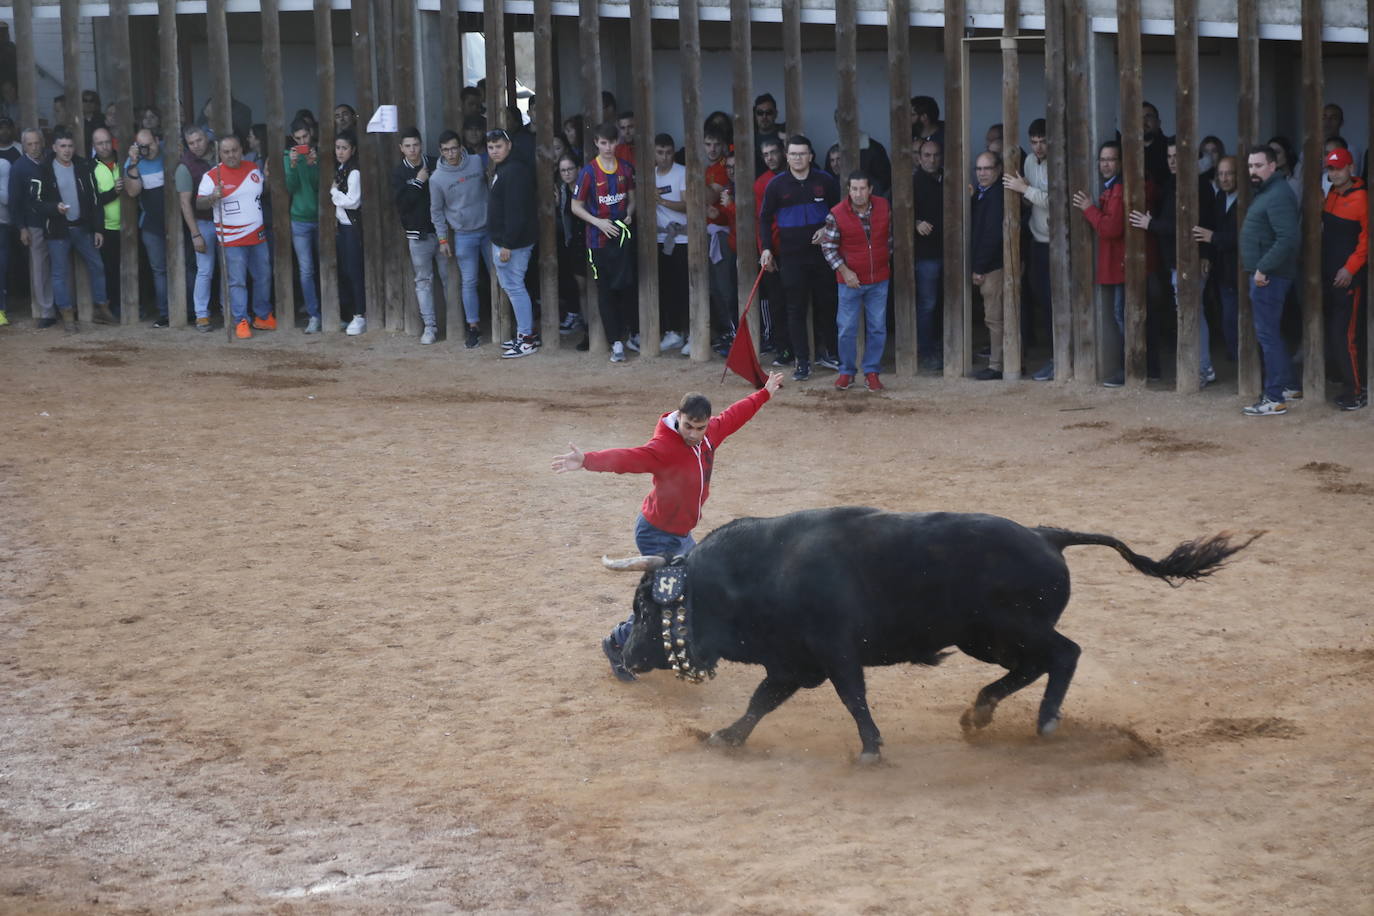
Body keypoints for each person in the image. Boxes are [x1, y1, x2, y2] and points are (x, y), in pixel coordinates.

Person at [549, 371, 785, 681]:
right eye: (688, 426)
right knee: (665, 598)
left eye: (700, 428)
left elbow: (736, 415)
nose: (694, 433)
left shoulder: (710, 433)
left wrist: (765, 392)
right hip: (656, 533)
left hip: (680, 534)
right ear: (679, 417)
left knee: (694, 589)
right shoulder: (663, 446)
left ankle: (670, 644)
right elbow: (628, 458)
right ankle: (618, 642)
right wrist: (587, 460)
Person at [1128, 139, 1217, 386]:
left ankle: (1202, 368)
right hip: (1178, 261)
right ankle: (1201, 366)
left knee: (1192, 314)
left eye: (1178, 156)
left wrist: (1150, 224)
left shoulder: (1196, 186)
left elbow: (1188, 226)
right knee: (1190, 313)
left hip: (1191, 261)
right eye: (1169, 156)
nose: (1173, 161)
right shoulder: (1172, 184)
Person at [758, 134, 842, 381]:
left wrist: (827, 229)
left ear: (811, 156)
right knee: (795, 309)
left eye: (802, 154)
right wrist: (766, 248)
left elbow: (840, 212)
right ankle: (802, 361)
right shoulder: (776, 185)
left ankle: (830, 353)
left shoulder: (825, 181)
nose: (798, 158)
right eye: (793, 154)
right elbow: (764, 218)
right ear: (787, 156)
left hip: (822, 256)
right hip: (791, 257)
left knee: (827, 304)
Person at [1239, 145, 1301, 416]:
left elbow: (1288, 238)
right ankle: (1287, 385)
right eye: (1250, 166)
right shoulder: (1268, 192)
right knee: (1270, 333)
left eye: (1259, 165)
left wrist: (1263, 268)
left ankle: (1274, 398)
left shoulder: (1277, 194)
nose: (1253, 170)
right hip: (1268, 275)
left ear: (1273, 166)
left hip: (1269, 277)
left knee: (1267, 335)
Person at [571, 121, 637, 363]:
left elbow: (632, 198)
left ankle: (626, 334)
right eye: (604, 143)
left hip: (622, 239)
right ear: (597, 143)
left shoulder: (626, 169)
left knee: (626, 287)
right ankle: (615, 343)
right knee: (605, 291)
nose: (608, 147)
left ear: (617, 143)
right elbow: (575, 206)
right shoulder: (588, 172)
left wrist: (630, 212)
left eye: (612, 142)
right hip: (597, 241)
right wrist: (598, 222)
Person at [30, 126, 107, 334]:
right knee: (59, 274)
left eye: (70, 146)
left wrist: (98, 229)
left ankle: (101, 307)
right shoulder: (43, 169)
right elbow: (35, 201)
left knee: (97, 265)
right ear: (54, 147)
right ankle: (67, 316)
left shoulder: (83, 165)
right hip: (58, 229)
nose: (67, 150)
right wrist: (54, 208)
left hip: (82, 227)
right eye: (62, 146)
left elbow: (94, 200)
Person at [821, 170, 891, 391]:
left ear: (870, 190)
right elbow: (828, 247)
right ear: (848, 190)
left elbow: (890, 237)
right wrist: (845, 271)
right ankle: (847, 372)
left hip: (879, 278)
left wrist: (885, 260)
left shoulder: (883, 206)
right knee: (846, 329)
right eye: (854, 189)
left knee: (877, 327)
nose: (858, 193)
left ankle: (871, 371)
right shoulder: (836, 213)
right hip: (849, 281)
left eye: (862, 189)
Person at [197, 133, 272, 339]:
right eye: (226, 151)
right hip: (231, 239)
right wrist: (213, 196)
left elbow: (261, 193)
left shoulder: (253, 168)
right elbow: (199, 203)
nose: (231, 155)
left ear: (241, 150)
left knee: (263, 277)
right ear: (220, 153)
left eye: (235, 150)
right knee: (237, 281)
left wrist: (269, 179)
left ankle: (263, 316)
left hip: (258, 236)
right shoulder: (212, 176)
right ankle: (241, 320)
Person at [1073, 141, 1127, 386]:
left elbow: (1111, 228)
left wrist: (1088, 209)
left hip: (1122, 263)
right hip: (1116, 262)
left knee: (1123, 315)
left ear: (1121, 163)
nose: (1106, 164)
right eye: (1103, 159)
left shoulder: (1119, 189)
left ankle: (1130, 368)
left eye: (1111, 159)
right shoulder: (1110, 187)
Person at [431, 128, 491, 349]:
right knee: (469, 281)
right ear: (441, 151)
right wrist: (443, 240)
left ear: (461, 147)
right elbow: (436, 211)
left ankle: (507, 322)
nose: (451, 153)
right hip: (464, 234)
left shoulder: (477, 162)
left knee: (501, 276)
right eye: (446, 150)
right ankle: (473, 327)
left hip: (488, 229)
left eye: (454, 148)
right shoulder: (437, 179)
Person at [1004, 119, 1054, 379]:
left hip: (1058, 244)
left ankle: (1060, 358)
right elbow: (1031, 201)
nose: (1038, 147)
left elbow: (1057, 200)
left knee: (1055, 302)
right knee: (1040, 298)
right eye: (1033, 142)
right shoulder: (1029, 162)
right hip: (1037, 239)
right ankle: (1052, 356)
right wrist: (1024, 192)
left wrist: (1025, 189)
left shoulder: (1059, 162)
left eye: (1042, 141)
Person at [1320, 147, 1368, 410]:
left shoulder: (1362, 198)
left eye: (1339, 168)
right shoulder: (1332, 195)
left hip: (1349, 280)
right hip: (1330, 277)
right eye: (1331, 168)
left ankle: (1357, 392)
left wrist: (1350, 269)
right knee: (1337, 334)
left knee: (1346, 336)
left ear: (1351, 168)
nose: (1335, 173)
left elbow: (1365, 240)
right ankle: (1350, 385)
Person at [486, 127, 540, 358]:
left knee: (515, 288)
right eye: (491, 148)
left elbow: (516, 212)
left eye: (498, 146)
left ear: (508, 146)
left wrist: (507, 243)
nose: (495, 151)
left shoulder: (515, 170)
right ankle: (525, 335)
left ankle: (526, 338)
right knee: (513, 287)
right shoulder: (506, 167)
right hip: (508, 241)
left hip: (513, 244)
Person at [392, 126, 447, 345]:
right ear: (401, 148)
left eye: (415, 145)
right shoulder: (399, 173)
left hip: (441, 232)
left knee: (449, 279)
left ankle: (456, 324)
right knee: (423, 281)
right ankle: (430, 327)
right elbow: (402, 204)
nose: (412, 150)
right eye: (408, 146)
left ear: (421, 145)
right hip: (417, 235)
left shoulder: (436, 163)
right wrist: (418, 181)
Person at [1192, 156, 1240, 362]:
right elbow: (1212, 226)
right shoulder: (1220, 196)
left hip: (1242, 270)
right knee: (1227, 318)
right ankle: (1235, 358)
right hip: (1223, 270)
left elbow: (1243, 235)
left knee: (1240, 320)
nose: (1224, 178)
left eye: (1229, 173)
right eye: (1221, 174)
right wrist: (1206, 256)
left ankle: (1246, 365)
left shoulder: (1247, 199)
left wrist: (1214, 238)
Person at [123, 128, 170, 327]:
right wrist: (133, 164)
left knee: (187, 266)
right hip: (151, 224)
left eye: (149, 144)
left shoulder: (170, 154)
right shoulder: (133, 162)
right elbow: (133, 192)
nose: (147, 150)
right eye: (142, 146)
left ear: (157, 140)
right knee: (159, 270)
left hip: (177, 222)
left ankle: (191, 310)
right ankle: (165, 314)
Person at [177, 125, 218, 330]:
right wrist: (195, 234)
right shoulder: (185, 166)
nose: (196, 146)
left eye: (199, 140)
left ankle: (236, 313)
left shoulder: (221, 153)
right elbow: (185, 203)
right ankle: (201, 315)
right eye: (191, 143)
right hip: (204, 222)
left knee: (233, 270)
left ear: (206, 138)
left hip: (227, 220)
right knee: (205, 270)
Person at [13, 128, 56, 326]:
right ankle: (47, 312)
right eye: (29, 144)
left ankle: (66, 305)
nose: (34, 147)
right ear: (23, 146)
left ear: (43, 142)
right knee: (40, 268)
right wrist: (22, 227)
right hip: (34, 224)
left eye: (37, 143)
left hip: (57, 220)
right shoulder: (19, 167)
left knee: (62, 264)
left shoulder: (52, 160)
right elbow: (16, 200)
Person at [969, 150, 1005, 380]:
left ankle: (998, 366)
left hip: (993, 267)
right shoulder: (985, 194)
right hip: (990, 265)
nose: (982, 173)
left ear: (998, 170)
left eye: (987, 168)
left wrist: (979, 267)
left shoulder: (996, 196)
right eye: (979, 169)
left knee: (995, 318)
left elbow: (992, 235)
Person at [284, 117, 321, 333]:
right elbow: (291, 187)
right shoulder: (288, 156)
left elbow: (319, 185)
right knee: (306, 270)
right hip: (299, 220)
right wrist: (293, 165)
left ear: (311, 135)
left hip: (321, 218)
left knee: (328, 266)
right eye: (297, 138)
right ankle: (314, 315)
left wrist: (313, 164)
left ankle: (333, 312)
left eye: (305, 137)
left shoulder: (319, 154)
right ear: (292, 139)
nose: (302, 141)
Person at [653, 132, 688, 353]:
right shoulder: (651, 174)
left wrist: (662, 201)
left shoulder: (681, 173)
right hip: (660, 238)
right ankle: (673, 331)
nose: (664, 157)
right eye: (660, 153)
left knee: (682, 287)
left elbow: (687, 204)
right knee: (665, 288)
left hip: (682, 238)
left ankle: (687, 333)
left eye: (668, 153)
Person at [330, 128, 366, 334]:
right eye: (338, 147)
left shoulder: (354, 172)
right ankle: (351, 313)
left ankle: (360, 314)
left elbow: (353, 202)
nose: (340, 151)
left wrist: (334, 192)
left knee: (354, 271)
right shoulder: (342, 168)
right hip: (343, 228)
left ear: (353, 149)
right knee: (345, 271)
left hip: (352, 228)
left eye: (344, 148)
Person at [753, 136, 785, 355]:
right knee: (776, 302)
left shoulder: (795, 175)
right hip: (773, 250)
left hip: (796, 249)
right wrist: (765, 251)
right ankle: (781, 348)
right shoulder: (761, 183)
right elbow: (760, 220)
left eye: (773, 152)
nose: (770, 158)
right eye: (765, 154)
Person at [913, 138, 944, 370]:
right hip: (926, 255)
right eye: (927, 155)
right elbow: (897, 211)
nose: (931, 159)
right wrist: (915, 223)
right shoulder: (912, 182)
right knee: (928, 304)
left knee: (948, 301)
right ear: (919, 157)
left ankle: (945, 346)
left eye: (935, 155)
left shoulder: (950, 179)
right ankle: (927, 350)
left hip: (952, 252)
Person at [89, 126, 122, 324]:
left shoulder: (124, 160)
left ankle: (136, 304)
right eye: (100, 143)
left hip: (129, 227)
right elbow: (93, 201)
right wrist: (114, 192)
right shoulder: (90, 167)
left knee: (136, 268)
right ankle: (113, 307)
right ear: (94, 146)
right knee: (110, 270)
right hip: (107, 228)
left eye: (107, 142)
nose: (104, 146)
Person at [555, 154, 587, 338]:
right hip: (574, 243)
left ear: (578, 169)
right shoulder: (563, 190)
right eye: (563, 171)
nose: (567, 173)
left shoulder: (587, 188)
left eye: (570, 169)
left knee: (595, 288)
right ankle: (588, 330)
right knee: (581, 288)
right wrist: (558, 205)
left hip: (591, 241)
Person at [752, 92, 785, 177]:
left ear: (776, 114)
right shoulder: (749, 138)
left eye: (769, 112)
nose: (764, 116)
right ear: (755, 115)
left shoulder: (785, 132)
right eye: (760, 112)